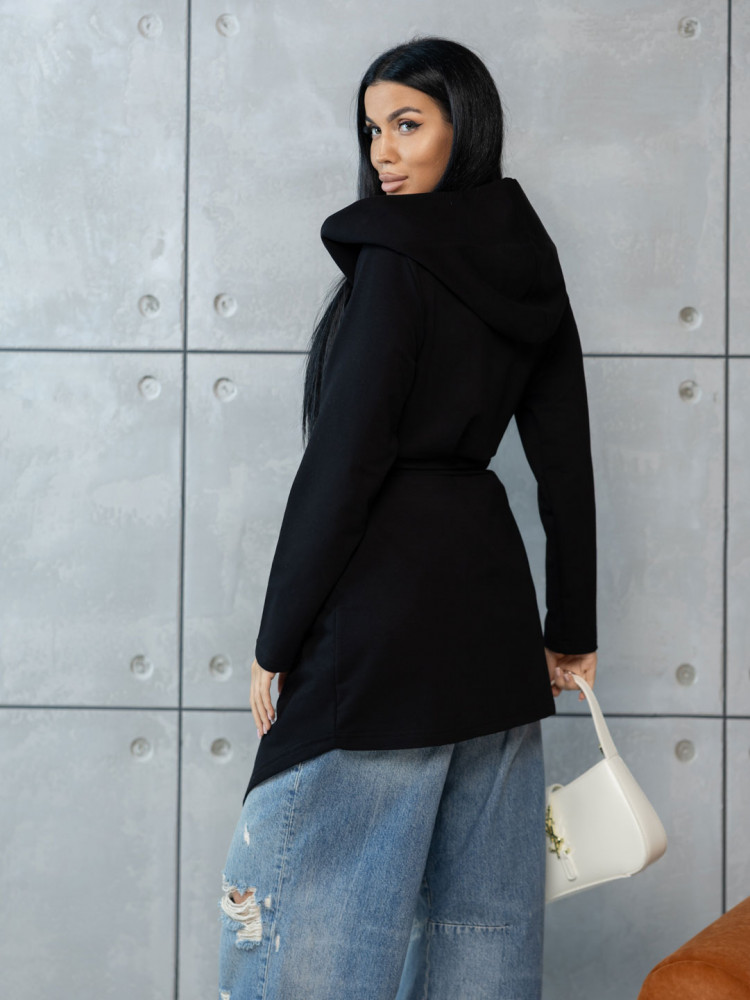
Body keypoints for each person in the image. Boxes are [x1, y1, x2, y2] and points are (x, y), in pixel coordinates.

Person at [218, 35, 598, 1000]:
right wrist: (570, 631)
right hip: (494, 635)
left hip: (381, 633)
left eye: (407, 124)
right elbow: (565, 459)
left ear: (464, 125)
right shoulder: (530, 259)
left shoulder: (397, 258)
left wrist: (275, 640)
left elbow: (344, 463)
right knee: (484, 935)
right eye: (372, 129)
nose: (383, 151)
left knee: (311, 932)